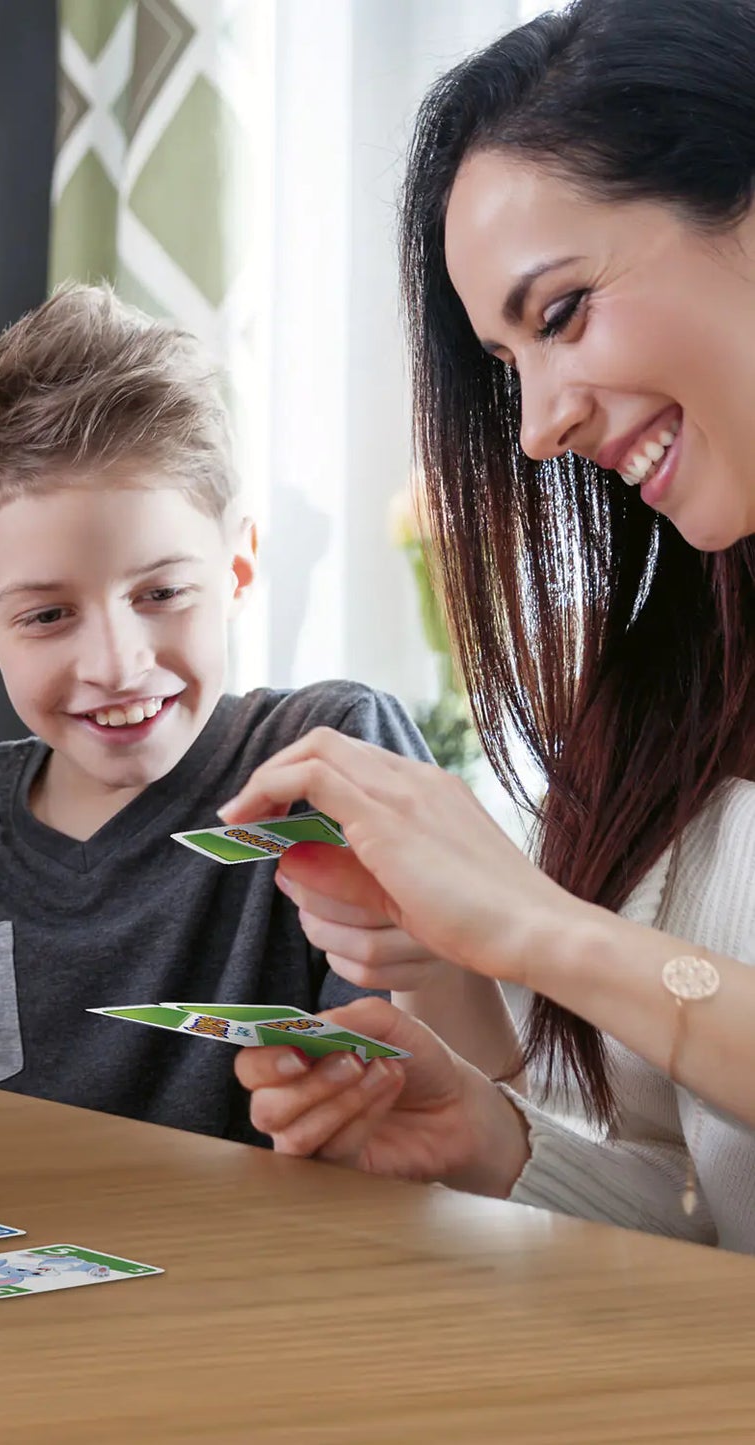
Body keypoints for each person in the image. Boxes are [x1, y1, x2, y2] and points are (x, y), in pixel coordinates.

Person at [227, 0, 755, 1251]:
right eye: (507, 361)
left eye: (561, 310)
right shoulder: (669, 697)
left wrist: (535, 924)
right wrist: (488, 1138)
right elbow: (693, 1209)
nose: (533, 430)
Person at [0, 285, 505, 1145]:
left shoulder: (332, 758)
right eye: (48, 615)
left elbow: (473, 1112)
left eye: (162, 592)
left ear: (238, 568)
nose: (118, 663)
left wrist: (436, 964)